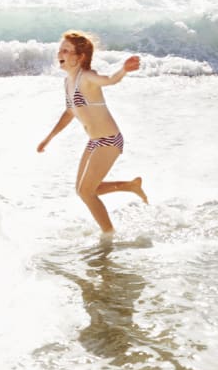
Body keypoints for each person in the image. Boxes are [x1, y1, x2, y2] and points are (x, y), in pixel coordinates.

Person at [37, 31, 146, 234]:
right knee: (83, 190)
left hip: (109, 140)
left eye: (66, 50)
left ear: (80, 57)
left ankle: (109, 235)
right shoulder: (68, 82)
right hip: (95, 141)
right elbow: (70, 112)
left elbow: (109, 80)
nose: (60, 53)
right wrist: (48, 138)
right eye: (60, 49)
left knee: (87, 192)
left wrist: (123, 70)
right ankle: (130, 186)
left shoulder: (86, 77)